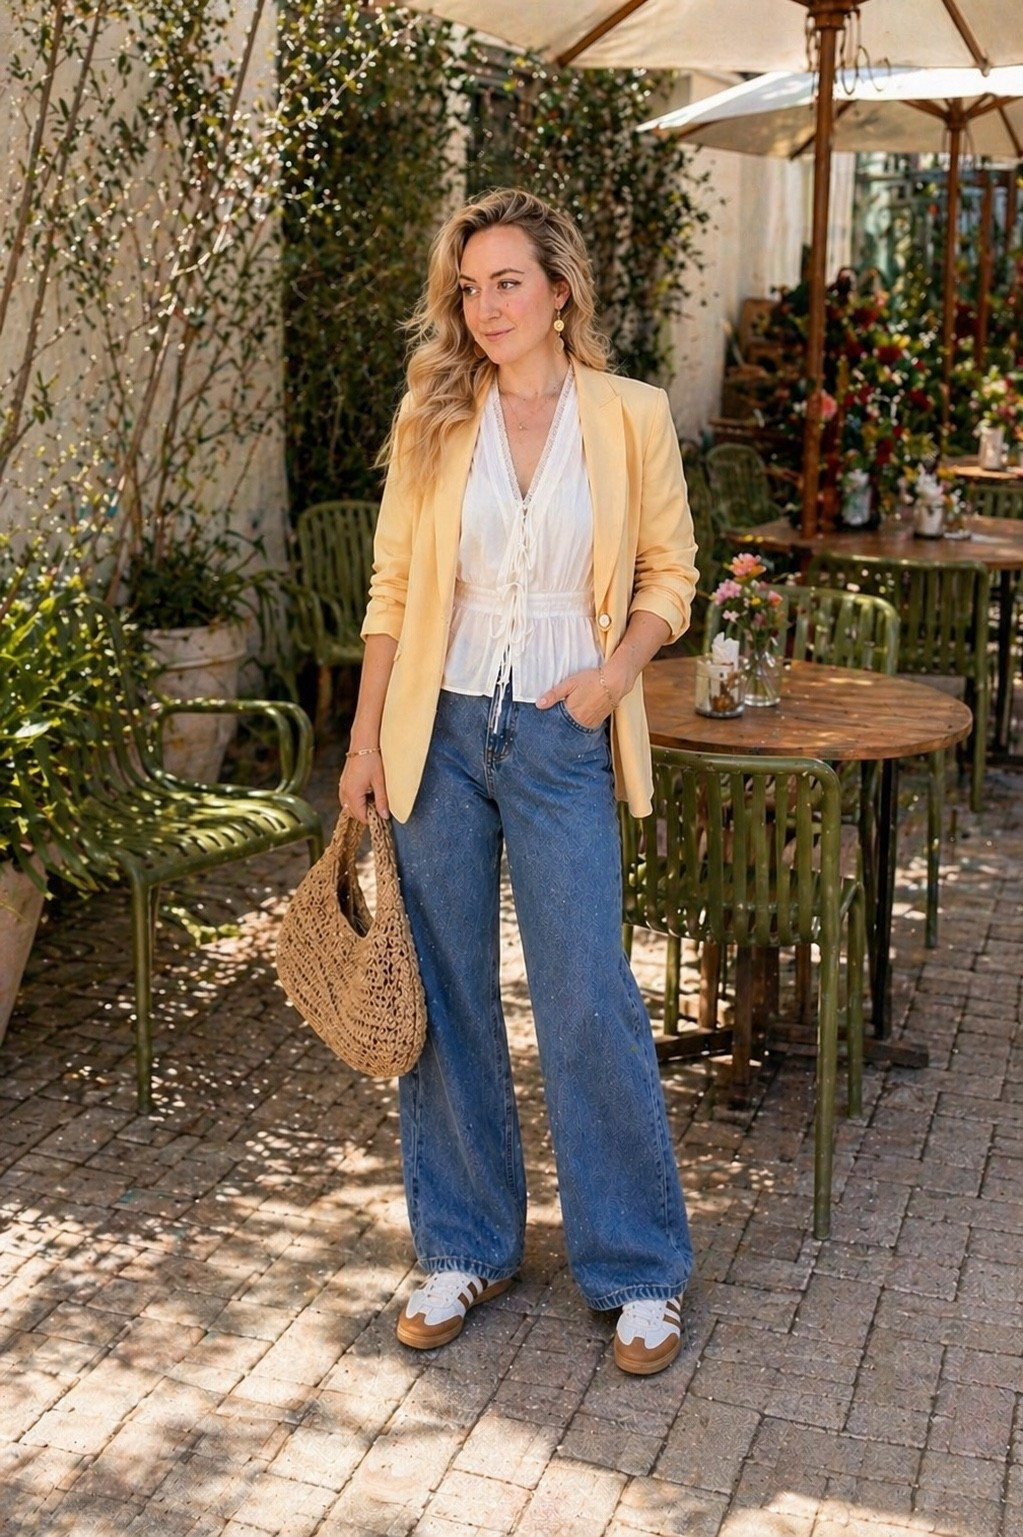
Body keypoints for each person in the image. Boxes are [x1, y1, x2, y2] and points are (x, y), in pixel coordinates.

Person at [338, 188, 698, 1376]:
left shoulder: (631, 413)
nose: (486, 305)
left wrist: (610, 678)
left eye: (508, 282)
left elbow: (669, 571)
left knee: (587, 987)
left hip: (559, 730)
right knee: (443, 993)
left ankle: (637, 1267)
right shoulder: (436, 412)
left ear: (558, 290)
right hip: (436, 730)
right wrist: (361, 748)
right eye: (470, 285)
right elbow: (393, 590)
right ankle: (465, 1246)